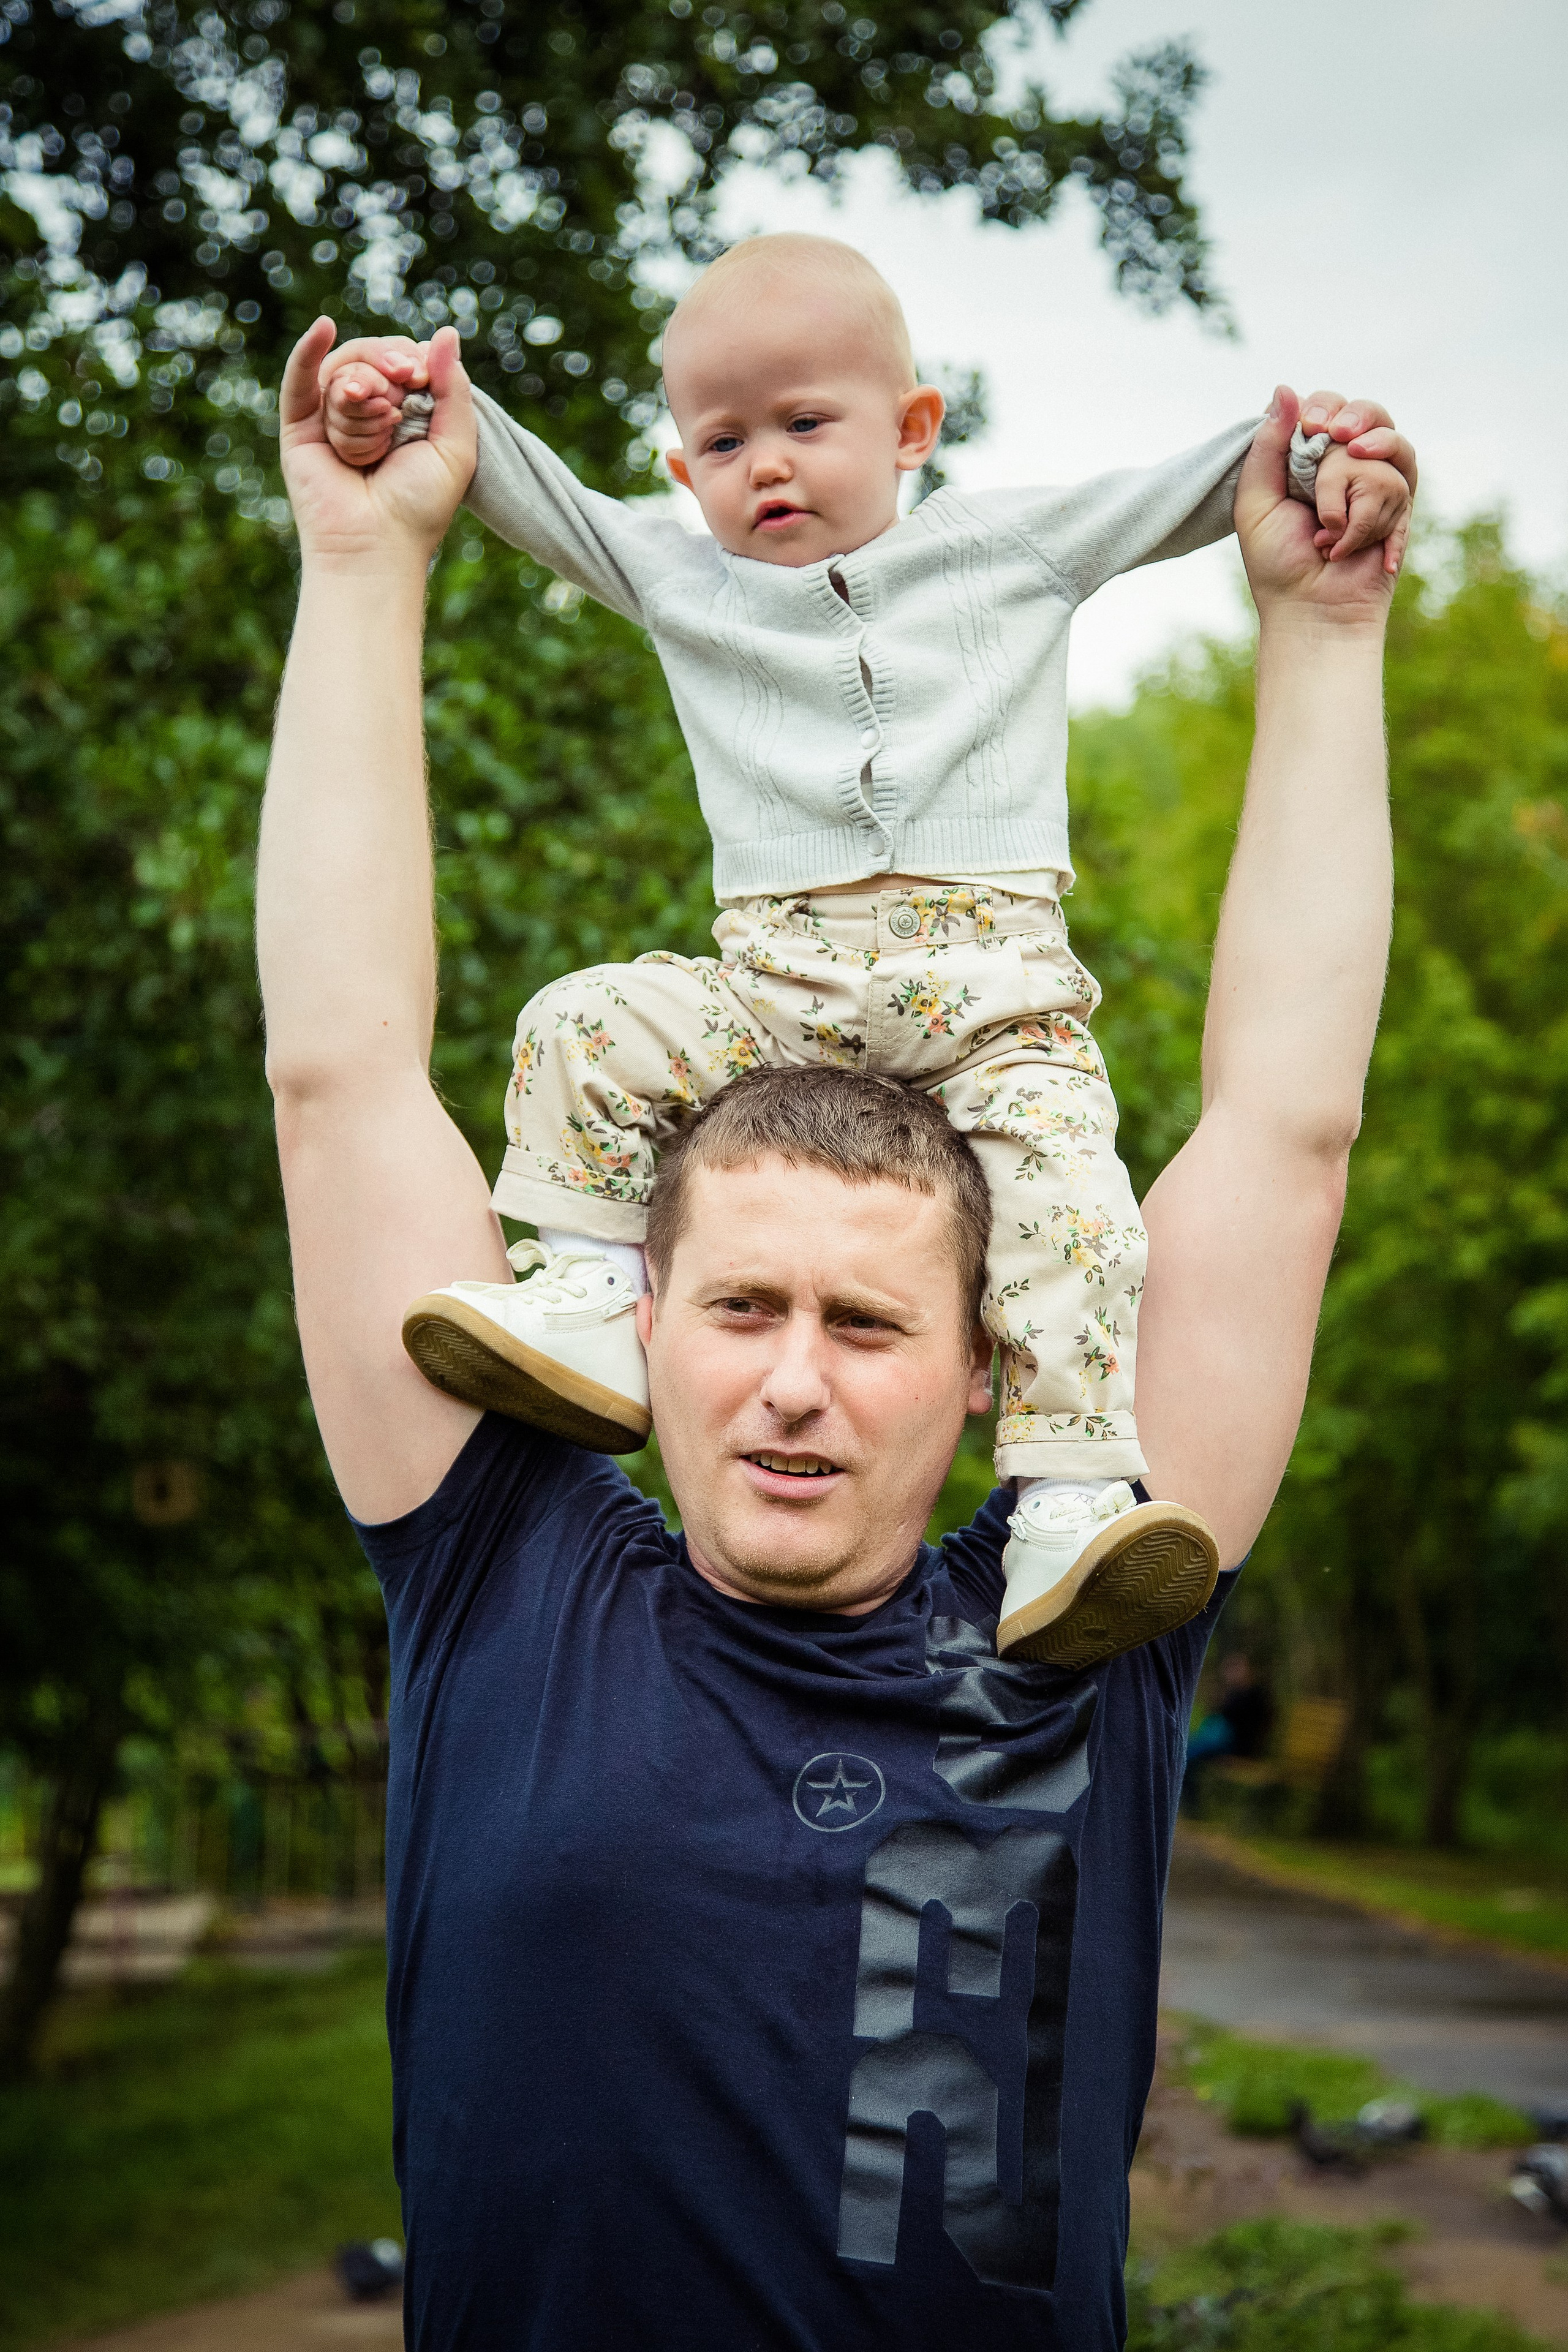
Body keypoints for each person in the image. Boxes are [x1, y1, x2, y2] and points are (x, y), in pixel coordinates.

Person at [260, 307, 1403, 2348]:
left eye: (869, 1323)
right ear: (644, 1313)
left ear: (988, 1369)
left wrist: (1318, 639)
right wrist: (364, 571)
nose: (794, 1377)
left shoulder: (1086, 1638)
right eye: (742, 1308)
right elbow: (341, 1074)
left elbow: (1289, 1137)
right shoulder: (503, 1578)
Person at [307, 233, 1414, 1671]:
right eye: (720, 439)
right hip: (773, 994)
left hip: (995, 1003)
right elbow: (531, 498)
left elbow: (1182, 494)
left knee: (1073, 1211)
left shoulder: (997, 549)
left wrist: (1299, 456)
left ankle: (1071, 1496)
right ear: (679, 463)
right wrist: (411, 413)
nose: (763, 465)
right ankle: (585, 1292)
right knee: (587, 1020)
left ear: (910, 430)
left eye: (804, 425)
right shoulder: (679, 573)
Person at [1183, 1652, 1277, 1813]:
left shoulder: (1255, 1695)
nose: (1231, 1674)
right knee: (1187, 1753)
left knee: (1187, 1755)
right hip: (1225, 1743)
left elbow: (1239, 1723)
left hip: (1238, 1747)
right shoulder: (1237, 1694)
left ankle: (1193, 1808)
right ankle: (1191, 1806)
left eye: (1235, 1669)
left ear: (1247, 1670)